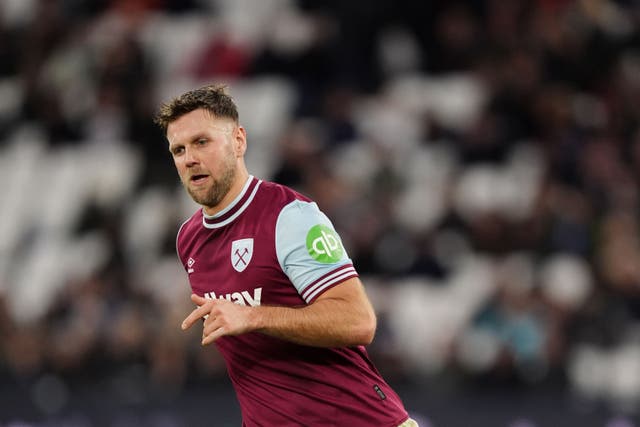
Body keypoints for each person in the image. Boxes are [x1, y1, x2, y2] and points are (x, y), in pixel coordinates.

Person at [154, 84, 417, 427]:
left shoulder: (290, 216)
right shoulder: (188, 239)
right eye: (178, 149)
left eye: (202, 142)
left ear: (238, 141)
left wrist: (254, 317)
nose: (190, 158)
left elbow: (358, 321)